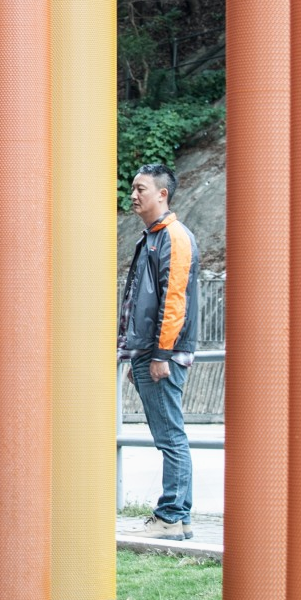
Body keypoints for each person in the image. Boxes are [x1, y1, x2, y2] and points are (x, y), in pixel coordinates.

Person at [118, 163, 200, 541]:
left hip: (162, 354)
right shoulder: (152, 236)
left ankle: (170, 516)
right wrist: (136, 354)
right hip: (149, 352)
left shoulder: (173, 236)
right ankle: (176, 518)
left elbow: (173, 301)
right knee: (169, 436)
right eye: (133, 188)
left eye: (141, 188)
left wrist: (160, 355)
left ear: (162, 194)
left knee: (171, 437)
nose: (133, 195)